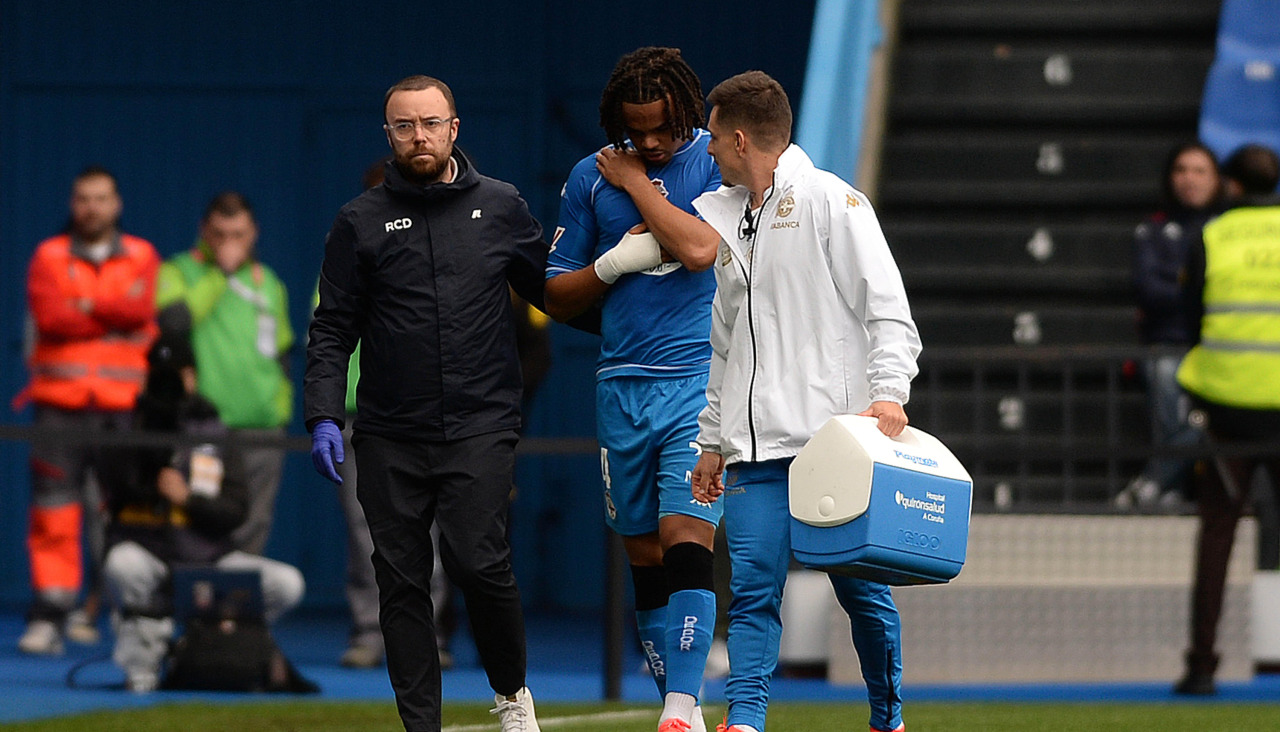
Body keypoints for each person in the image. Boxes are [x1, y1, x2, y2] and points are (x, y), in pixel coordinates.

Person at [306, 74, 592, 732]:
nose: (419, 137)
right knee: (401, 583)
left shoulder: (501, 207)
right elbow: (332, 328)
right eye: (404, 126)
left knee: (476, 561)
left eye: (430, 123)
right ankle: (420, 727)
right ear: (390, 136)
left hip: (479, 424)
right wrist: (323, 412)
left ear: (454, 128)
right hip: (385, 433)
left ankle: (513, 697)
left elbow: (553, 294)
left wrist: (626, 310)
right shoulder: (359, 221)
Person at [689, 71, 921, 732]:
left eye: (713, 138)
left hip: (834, 447)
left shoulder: (831, 200)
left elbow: (890, 313)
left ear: (739, 139)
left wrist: (889, 396)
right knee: (753, 593)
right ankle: (746, 721)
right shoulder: (727, 217)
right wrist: (712, 439)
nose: (707, 150)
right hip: (754, 452)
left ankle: (887, 716)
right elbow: (726, 343)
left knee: (863, 596)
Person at [543, 46, 722, 732]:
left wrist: (642, 186)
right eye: (635, 129)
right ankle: (683, 708)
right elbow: (557, 293)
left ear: (687, 111)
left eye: (661, 128)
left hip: (697, 384)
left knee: (686, 537)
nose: (648, 141)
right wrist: (617, 261)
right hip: (620, 385)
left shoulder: (712, 162)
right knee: (643, 553)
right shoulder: (590, 175)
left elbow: (702, 249)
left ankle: (678, 710)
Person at [99, 330, 305, 692]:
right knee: (122, 563)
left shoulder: (216, 432)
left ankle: (213, 647)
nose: (168, 383)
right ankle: (143, 665)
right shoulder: (127, 425)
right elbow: (113, 491)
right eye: (158, 373)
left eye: (176, 374)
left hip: (207, 564)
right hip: (151, 559)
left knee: (287, 584)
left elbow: (236, 510)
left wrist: (187, 499)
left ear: (192, 376)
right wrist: (148, 458)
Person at [17, 166, 161, 656]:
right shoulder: (48, 255)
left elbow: (138, 314)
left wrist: (84, 305)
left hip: (122, 409)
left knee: (122, 515)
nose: (92, 207)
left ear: (116, 204)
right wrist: (108, 309)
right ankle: (49, 616)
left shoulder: (141, 254)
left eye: (101, 198)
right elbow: (53, 317)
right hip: (59, 409)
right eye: (83, 198)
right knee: (53, 511)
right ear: (72, 204)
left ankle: (117, 614)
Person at [1173, 143, 1280, 696]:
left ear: (1231, 186)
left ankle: (1201, 667)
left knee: (1216, 538)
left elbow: (1191, 318)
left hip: (1228, 416)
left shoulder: (1210, 236)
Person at [155, 192, 294, 555]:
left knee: (255, 521)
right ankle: (201, 603)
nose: (230, 243)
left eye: (239, 234)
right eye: (220, 234)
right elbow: (173, 323)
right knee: (202, 516)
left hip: (262, 426)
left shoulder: (268, 281)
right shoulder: (179, 270)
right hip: (205, 426)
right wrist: (220, 273)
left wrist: (278, 407)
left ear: (255, 233)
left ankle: (237, 609)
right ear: (204, 231)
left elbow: (281, 352)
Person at [1116, 142, 1221, 510]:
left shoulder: (1226, 229)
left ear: (1216, 179)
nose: (1189, 179)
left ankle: (1153, 484)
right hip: (1168, 343)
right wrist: (1199, 292)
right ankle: (1170, 487)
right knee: (1165, 374)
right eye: (1181, 169)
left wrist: (1182, 287)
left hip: (1219, 347)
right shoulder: (1154, 231)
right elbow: (1149, 290)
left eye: (1199, 170)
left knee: (1208, 415)